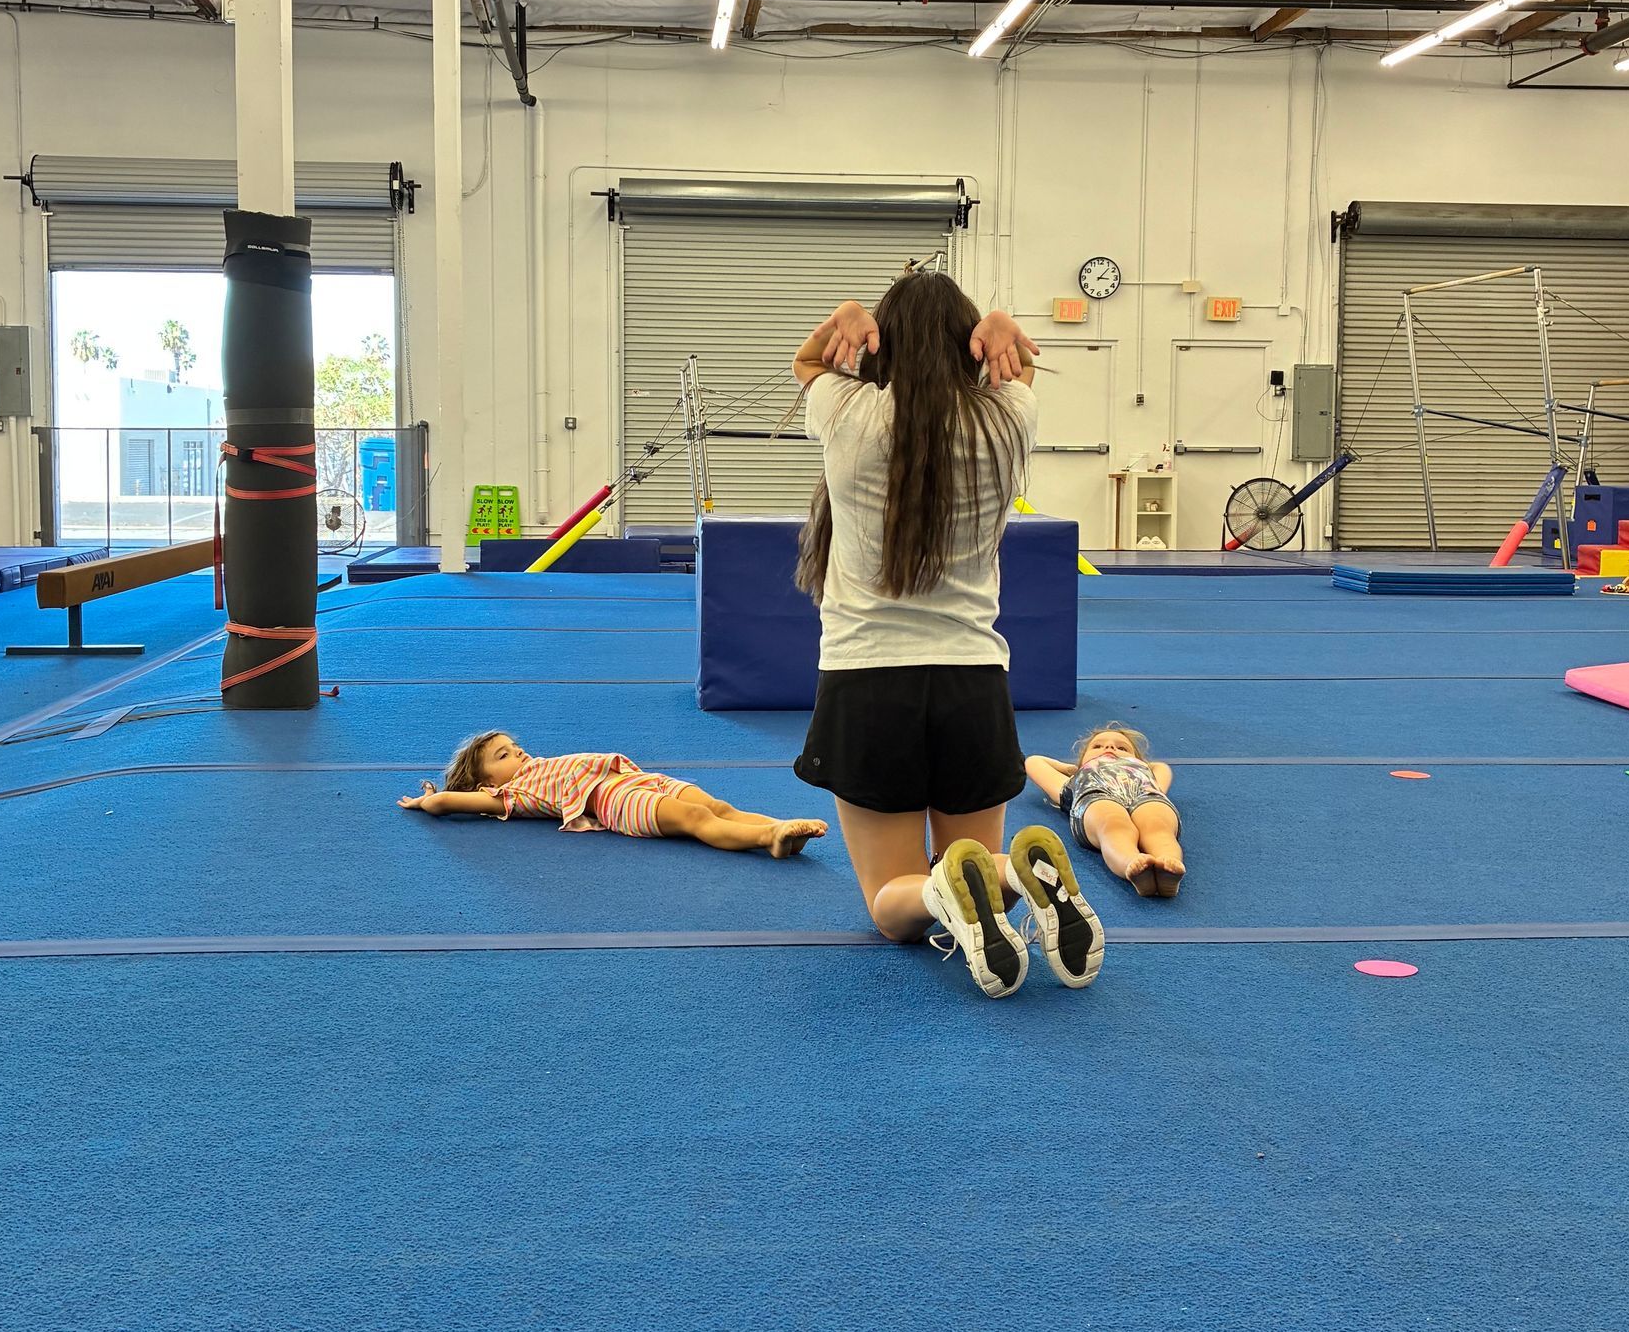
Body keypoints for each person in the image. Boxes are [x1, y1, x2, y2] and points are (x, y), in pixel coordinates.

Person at [790, 268, 1104, 998]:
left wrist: (844, 312)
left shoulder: (847, 412)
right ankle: (1002, 875)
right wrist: (998, 320)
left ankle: (950, 894)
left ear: (882, 346)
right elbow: (1018, 367)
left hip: (867, 682)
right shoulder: (1006, 420)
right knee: (970, 864)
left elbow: (808, 362)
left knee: (893, 903)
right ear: (971, 349)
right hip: (972, 680)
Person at [401, 732, 826, 859]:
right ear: (488, 785)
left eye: (514, 745)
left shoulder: (534, 765)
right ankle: (766, 840)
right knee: (696, 821)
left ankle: (777, 827)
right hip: (611, 801)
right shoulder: (509, 796)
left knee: (717, 807)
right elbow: (446, 803)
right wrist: (427, 800)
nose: (518, 752)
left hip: (636, 778)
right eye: (503, 755)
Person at [1025, 726, 1185, 900]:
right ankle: (1130, 863)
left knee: (1158, 826)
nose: (1109, 748)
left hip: (1146, 795)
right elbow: (1034, 762)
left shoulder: (1145, 771)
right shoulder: (1074, 779)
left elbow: (1161, 768)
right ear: (1082, 760)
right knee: (1112, 824)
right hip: (1095, 797)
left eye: (1122, 748)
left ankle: (1168, 863)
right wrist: (1074, 768)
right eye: (1097, 746)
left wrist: (1137, 763)